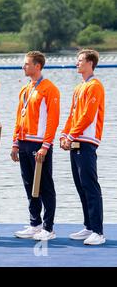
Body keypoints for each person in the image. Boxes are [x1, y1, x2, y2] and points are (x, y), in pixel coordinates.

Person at [11, 51, 60, 241]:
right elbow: (18, 117)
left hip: (39, 144)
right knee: (29, 185)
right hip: (23, 142)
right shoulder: (25, 89)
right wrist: (15, 143)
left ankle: (48, 228)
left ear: (37, 66)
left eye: (26, 64)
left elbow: (53, 121)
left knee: (45, 185)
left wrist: (45, 146)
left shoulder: (49, 89)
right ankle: (35, 224)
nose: (23, 67)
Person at [60, 49, 106, 245]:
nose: (77, 63)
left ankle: (98, 231)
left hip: (87, 141)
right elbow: (73, 114)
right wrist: (64, 134)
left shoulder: (95, 86)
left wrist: (72, 135)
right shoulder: (80, 87)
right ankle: (88, 226)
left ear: (90, 63)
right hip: (75, 140)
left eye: (80, 60)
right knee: (81, 186)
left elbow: (88, 116)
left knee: (90, 186)